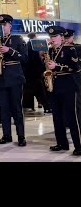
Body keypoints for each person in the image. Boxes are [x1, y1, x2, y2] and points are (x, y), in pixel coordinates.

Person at [0, 14, 28, 147]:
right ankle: (7, 135)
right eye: (0, 25)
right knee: (3, 109)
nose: (2, 27)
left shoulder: (17, 39)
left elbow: (24, 58)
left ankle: (21, 136)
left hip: (14, 78)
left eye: (4, 25)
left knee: (16, 108)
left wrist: (9, 50)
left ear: (10, 25)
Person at [44, 26, 81, 155]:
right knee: (57, 117)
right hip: (55, 86)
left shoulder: (70, 49)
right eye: (51, 37)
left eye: (54, 37)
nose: (52, 39)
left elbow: (75, 68)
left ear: (61, 37)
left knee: (72, 117)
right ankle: (62, 143)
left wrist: (57, 66)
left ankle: (79, 146)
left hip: (68, 86)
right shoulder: (50, 51)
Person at [23, 32, 51, 113]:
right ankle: (47, 107)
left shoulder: (27, 44)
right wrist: (42, 68)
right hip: (35, 72)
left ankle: (28, 105)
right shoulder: (34, 44)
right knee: (40, 90)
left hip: (27, 72)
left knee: (28, 90)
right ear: (35, 37)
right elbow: (36, 59)